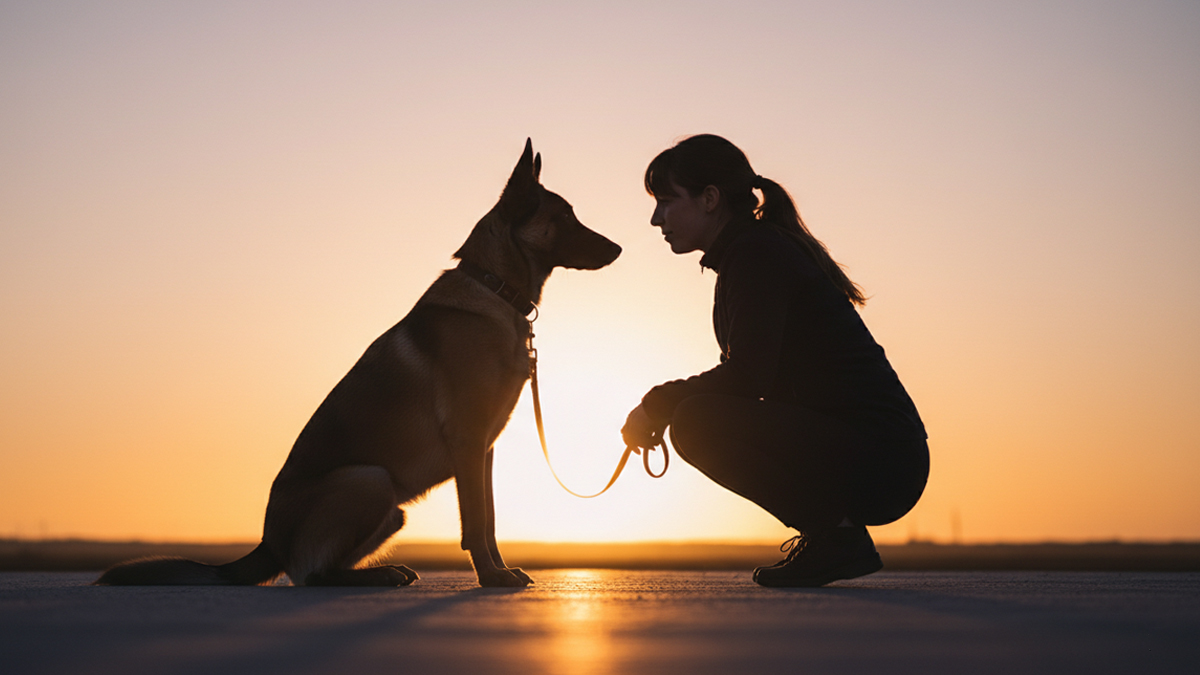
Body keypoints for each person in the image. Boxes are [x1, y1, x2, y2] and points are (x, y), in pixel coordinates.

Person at [621, 134, 929, 587]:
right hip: (877, 453)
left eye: (666, 201)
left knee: (695, 420)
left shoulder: (756, 254)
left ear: (710, 199)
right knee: (697, 415)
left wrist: (656, 404)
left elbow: (747, 378)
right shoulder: (749, 252)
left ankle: (837, 540)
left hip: (884, 459)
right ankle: (832, 536)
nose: (656, 218)